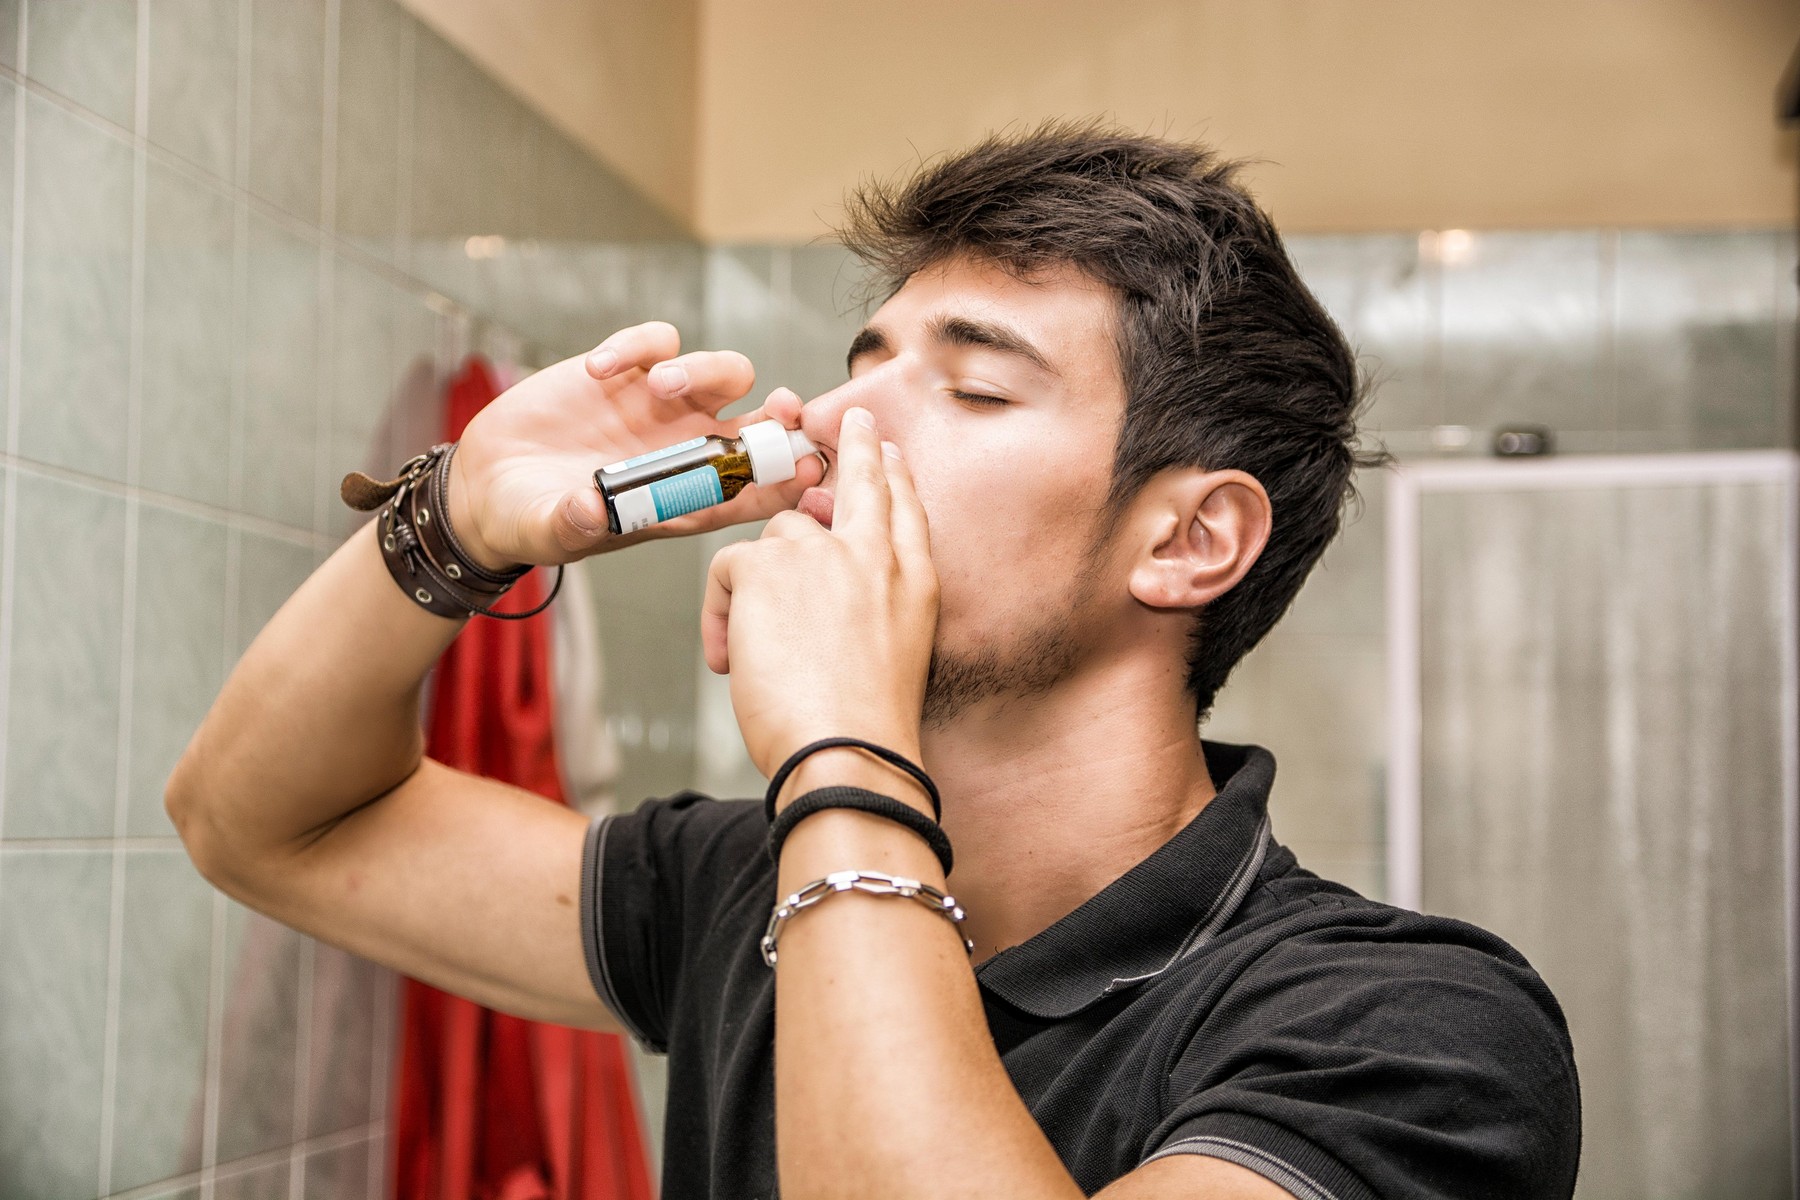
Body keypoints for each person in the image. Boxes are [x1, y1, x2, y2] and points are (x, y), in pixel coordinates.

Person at [168, 123, 1580, 1199]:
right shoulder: (742, 885)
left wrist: (839, 748)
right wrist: (461, 527)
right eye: (862, 362)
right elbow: (263, 821)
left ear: (1191, 539)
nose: (837, 417)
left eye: (971, 385)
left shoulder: (1413, 1036)